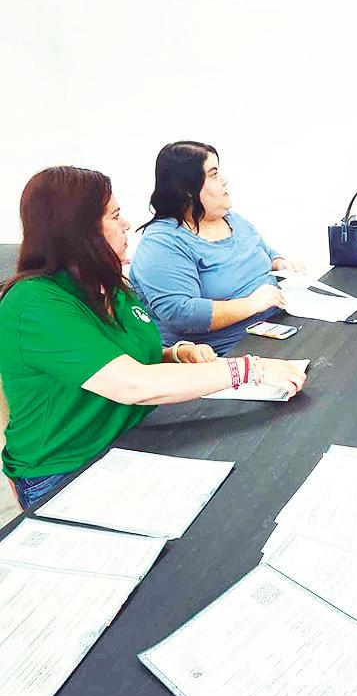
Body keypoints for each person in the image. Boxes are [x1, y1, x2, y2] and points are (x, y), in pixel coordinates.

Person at [0, 166, 306, 512]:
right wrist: (250, 369)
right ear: (79, 230)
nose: (126, 224)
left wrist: (172, 354)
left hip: (132, 441)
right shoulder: (35, 303)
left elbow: (110, 356)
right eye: (115, 216)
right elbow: (131, 384)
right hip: (67, 470)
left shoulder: (108, 285)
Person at [130, 141, 301, 355]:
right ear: (186, 189)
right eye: (213, 174)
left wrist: (281, 263)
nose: (224, 180)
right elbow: (182, 314)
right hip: (227, 351)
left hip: (276, 326)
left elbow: (264, 252)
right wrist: (252, 304)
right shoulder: (161, 243)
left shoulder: (232, 220)